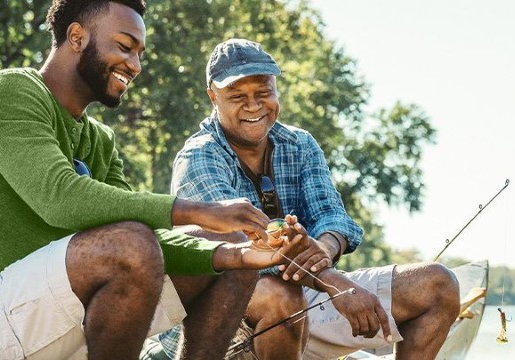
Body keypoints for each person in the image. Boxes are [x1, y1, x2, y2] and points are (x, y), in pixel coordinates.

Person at [0, 2, 309, 359]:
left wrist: (239, 255)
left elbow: (148, 240)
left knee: (230, 250)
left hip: (52, 317)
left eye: (140, 53)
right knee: (130, 244)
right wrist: (201, 211)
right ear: (77, 37)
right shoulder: (9, 93)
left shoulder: (98, 140)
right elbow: (59, 198)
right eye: (124, 47)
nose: (135, 65)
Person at [165, 39, 465, 359]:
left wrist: (322, 249)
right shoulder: (198, 157)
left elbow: (332, 217)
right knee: (281, 298)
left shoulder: (300, 144)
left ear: (277, 88)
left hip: (308, 295)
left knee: (439, 284)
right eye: (237, 96)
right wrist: (333, 282)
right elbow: (243, 249)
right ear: (213, 96)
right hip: (228, 319)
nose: (253, 106)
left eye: (264, 92)